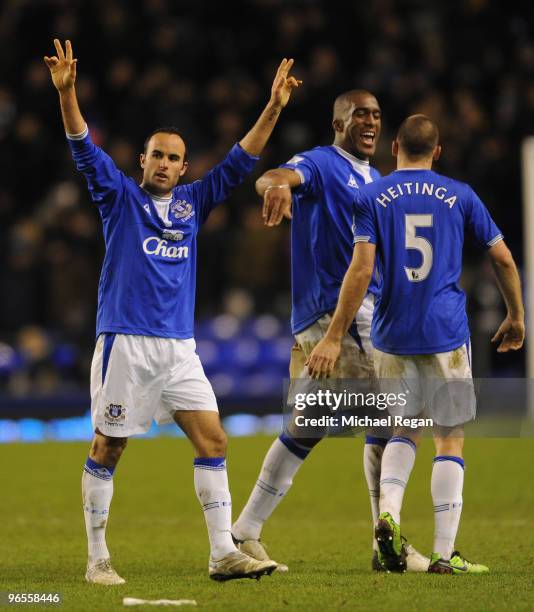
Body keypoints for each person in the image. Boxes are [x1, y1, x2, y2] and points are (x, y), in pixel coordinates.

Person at [44, 39, 301, 585]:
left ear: (184, 167)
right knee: (108, 447)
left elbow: (241, 161)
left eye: (173, 157)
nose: (163, 163)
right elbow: (82, 146)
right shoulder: (119, 197)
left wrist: (275, 107)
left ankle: (222, 554)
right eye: (155, 154)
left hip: (179, 349)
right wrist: (67, 94)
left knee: (214, 441)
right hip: (126, 343)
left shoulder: (193, 202)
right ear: (142, 161)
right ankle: (97, 559)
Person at [307, 114, 525, 574]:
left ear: (394, 149)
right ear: (438, 152)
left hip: (390, 334)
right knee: (450, 438)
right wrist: (516, 315)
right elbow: (503, 258)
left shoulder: (370, 196)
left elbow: (361, 270)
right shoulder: (460, 194)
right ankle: (445, 555)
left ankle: (388, 516)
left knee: (405, 430)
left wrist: (332, 334)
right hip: (445, 334)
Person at [231, 90, 428, 572]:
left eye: (378, 115)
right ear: (338, 122)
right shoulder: (322, 162)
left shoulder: (375, 178)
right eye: (361, 114)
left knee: (307, 427)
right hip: (340, 317)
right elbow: (278, 175)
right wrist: (275, 185)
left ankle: (243, 532)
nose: (371, 122)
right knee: (402, 418)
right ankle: (387, 541)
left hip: (344, 316)